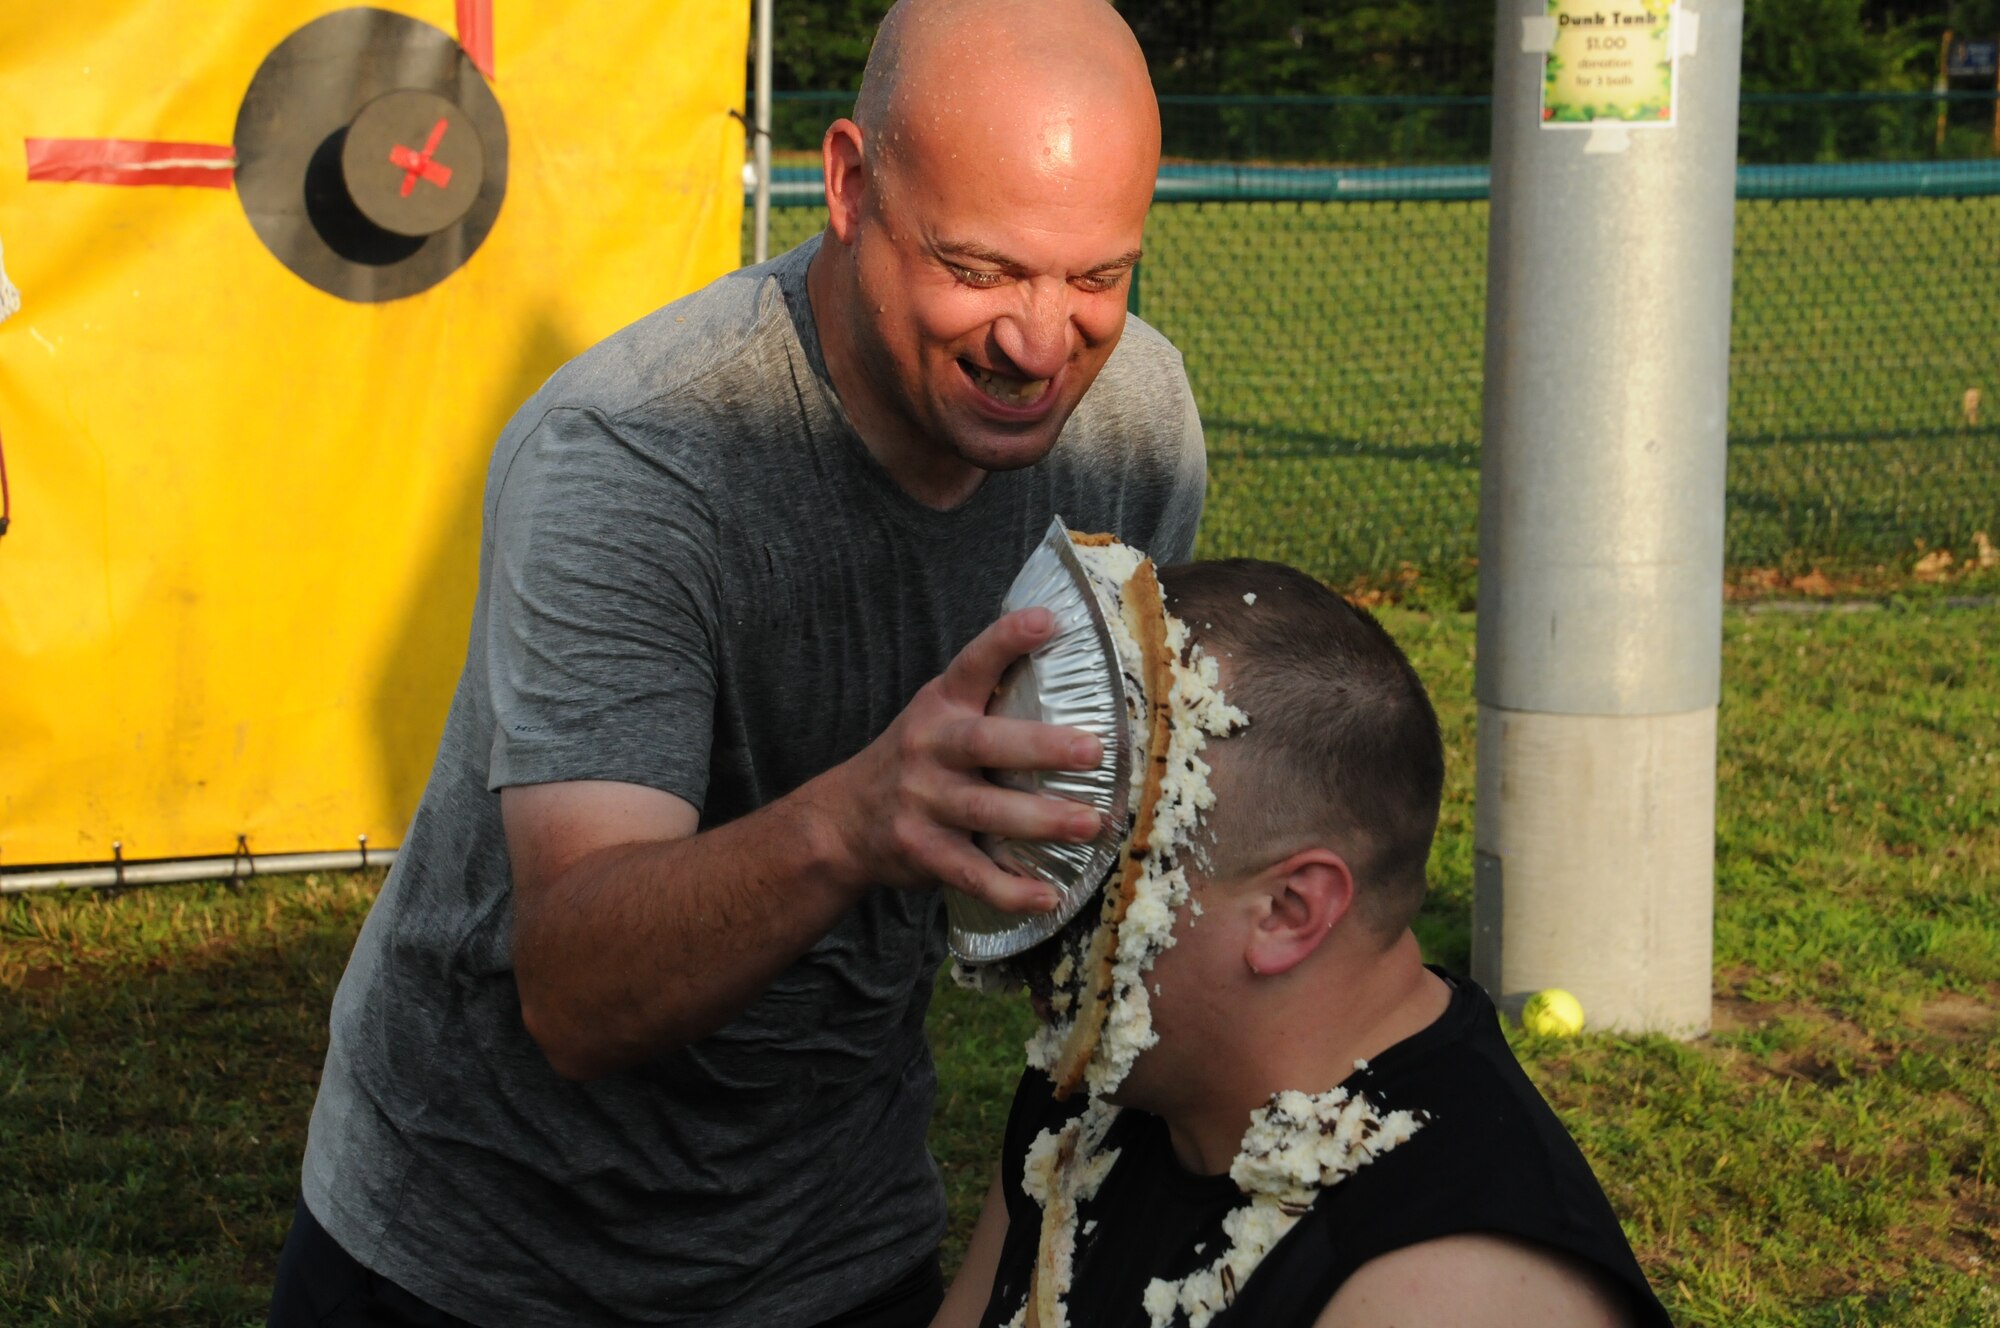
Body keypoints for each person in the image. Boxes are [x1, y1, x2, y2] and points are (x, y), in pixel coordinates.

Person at [269, 2, 1205, 1325]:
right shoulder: (640, 455)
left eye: (1098, 279)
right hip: (481, 1251)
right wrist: (865, 817)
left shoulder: (1137, 431)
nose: (1042, 342)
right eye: (983, 270)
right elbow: (577, 996)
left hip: (836, 1226)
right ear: (848, 183)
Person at [935, 560, 1675, 1328]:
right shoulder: (1093, 1099)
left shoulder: (1444, 1291)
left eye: (1093, 881)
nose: (1033, 926)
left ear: (1290, 910)